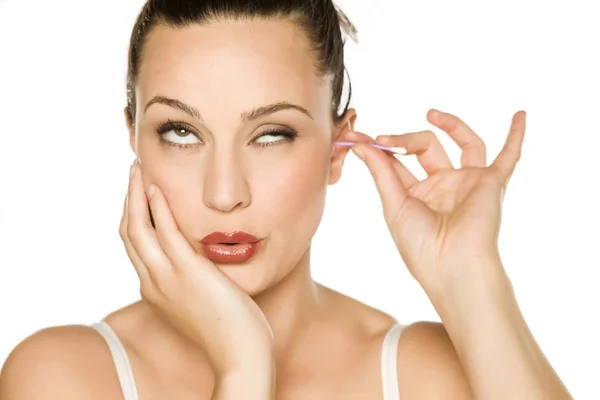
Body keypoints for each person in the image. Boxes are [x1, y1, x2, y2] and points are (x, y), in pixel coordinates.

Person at [0, 1, 573, 399]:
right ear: (134, 140)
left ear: (337, 148)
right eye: (181, 132)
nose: (225, 194)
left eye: (272, 134)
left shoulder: (428, 375)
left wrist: (473, 278)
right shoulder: (62, 378)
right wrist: (244, 366)